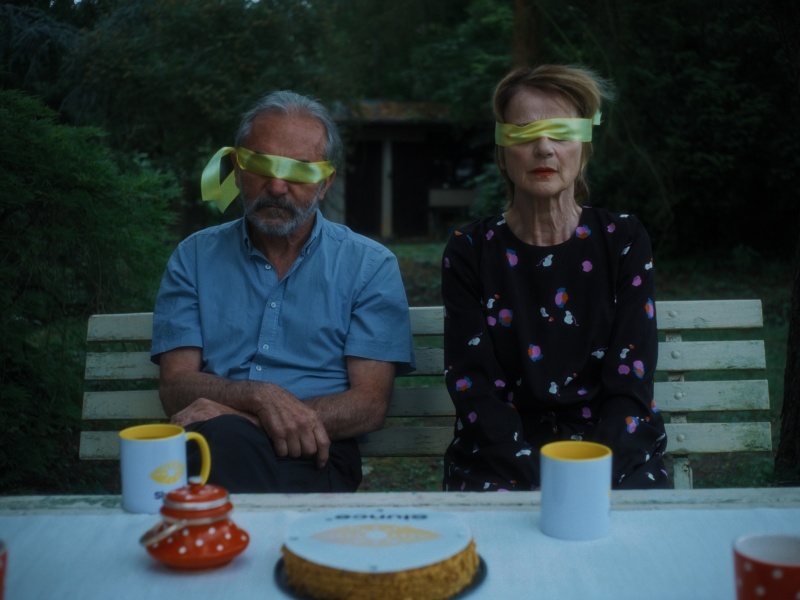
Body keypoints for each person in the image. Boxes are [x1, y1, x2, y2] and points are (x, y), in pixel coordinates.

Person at [151, 90, 415, 493]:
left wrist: (250, 416)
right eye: (261, 164)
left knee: (224, 444)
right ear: (236, 169)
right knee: (222, 444)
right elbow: (175, 387)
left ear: (324, 183)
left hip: (317, 449)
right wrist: (258, 395)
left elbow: (369, 405)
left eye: (299, 170)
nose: (276, 186)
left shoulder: (369, 265)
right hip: (214, 444)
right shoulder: (194, 257)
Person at [442, 65, 668, 492]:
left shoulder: (623, 239)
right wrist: (534, 473)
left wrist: (589, 472)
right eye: (525, 133)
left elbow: (630, 379)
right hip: (499, 456)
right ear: (502, 151)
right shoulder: (469, 249)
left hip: (613, 451)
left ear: (584, 147)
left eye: (562, 133)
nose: (544, 148)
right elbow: (475, 386)